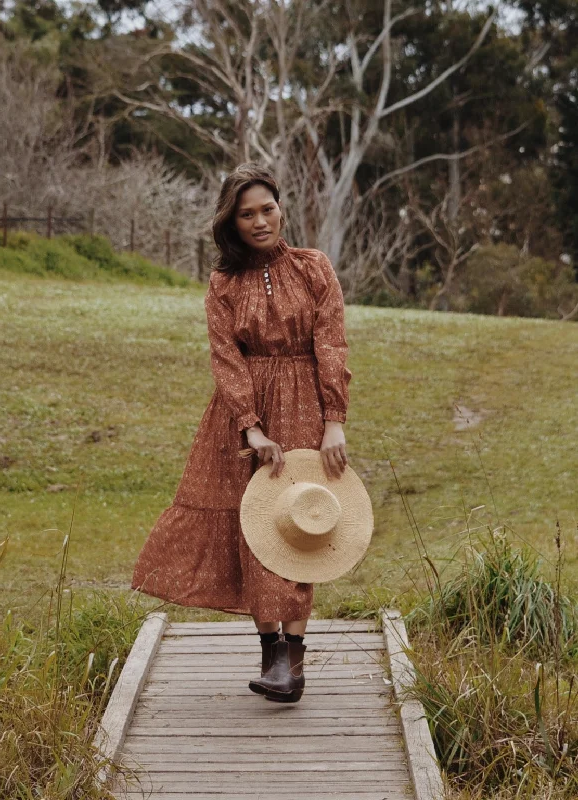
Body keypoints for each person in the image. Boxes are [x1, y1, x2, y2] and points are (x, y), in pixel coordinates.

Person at [131, 162, 352, 702]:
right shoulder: (224, 283)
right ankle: (270, 652)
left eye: (267, 209)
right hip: (242, 413)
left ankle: (292, 663)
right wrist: (249, 427)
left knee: (300, 520)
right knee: (255, 527)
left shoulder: (314, 267)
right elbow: (225, 358)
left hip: (305, 402)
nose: (259, 221)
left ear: (282, 209)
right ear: (231, 222)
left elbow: (332, 346)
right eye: (246, 213)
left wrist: (334, 423)